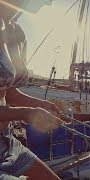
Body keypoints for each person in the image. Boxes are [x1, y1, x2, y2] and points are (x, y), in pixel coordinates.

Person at [0, 0, 65, 179]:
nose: (49, 3)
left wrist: (39, 104)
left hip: (7, 142)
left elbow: (7, 90)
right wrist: (28, 113)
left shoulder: (14, 30)